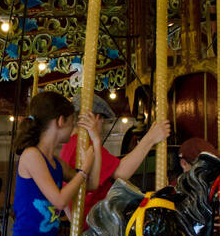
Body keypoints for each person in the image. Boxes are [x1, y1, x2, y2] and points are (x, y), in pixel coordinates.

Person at [8, 91, 102, 236]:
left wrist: (96, 140)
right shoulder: (31, 155)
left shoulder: (56, 163)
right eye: (72, 122)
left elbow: (91, 184)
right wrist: (84, 169)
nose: (74, 128)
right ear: (61, 121)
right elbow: (59, 200)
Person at [58, 95, 170, 227]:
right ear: (96, 118)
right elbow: (121, 172)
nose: (101, 126)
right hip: (98, 222)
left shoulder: (67, 144)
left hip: (88, 219)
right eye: (103, 121)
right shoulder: (83, 143)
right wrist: (150, 138)